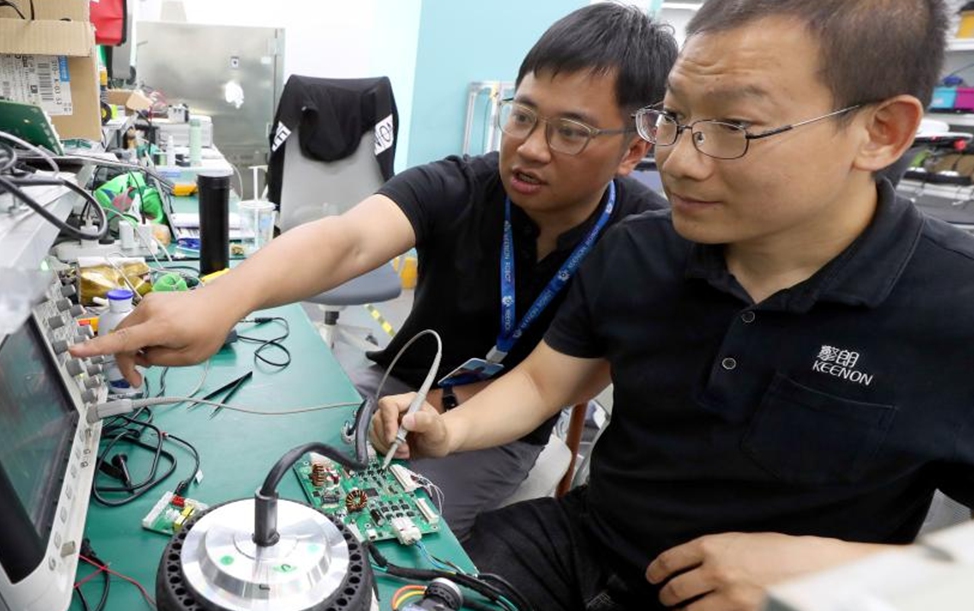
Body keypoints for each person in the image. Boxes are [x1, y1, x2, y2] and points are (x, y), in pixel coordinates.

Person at [371, 0, 971, 611]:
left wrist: (834, 570)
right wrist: (451, 428)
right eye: (675, 119)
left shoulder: (953, 308)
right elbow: (541, 382)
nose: (677, 160)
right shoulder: (642, 250)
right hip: (583, 545)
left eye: (735, 128)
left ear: (880, 131)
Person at [72, 4, 677, 537]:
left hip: (494, 428)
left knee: (389, 544)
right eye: (521, 116)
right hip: (389, 392)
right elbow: (347, 240)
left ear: (631, 150)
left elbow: (564, 382)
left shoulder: (643, 239)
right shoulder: (462, 184)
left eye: (570, 132)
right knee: (286, 496)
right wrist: (223, 299)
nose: (532, 147)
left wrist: (448, 421)